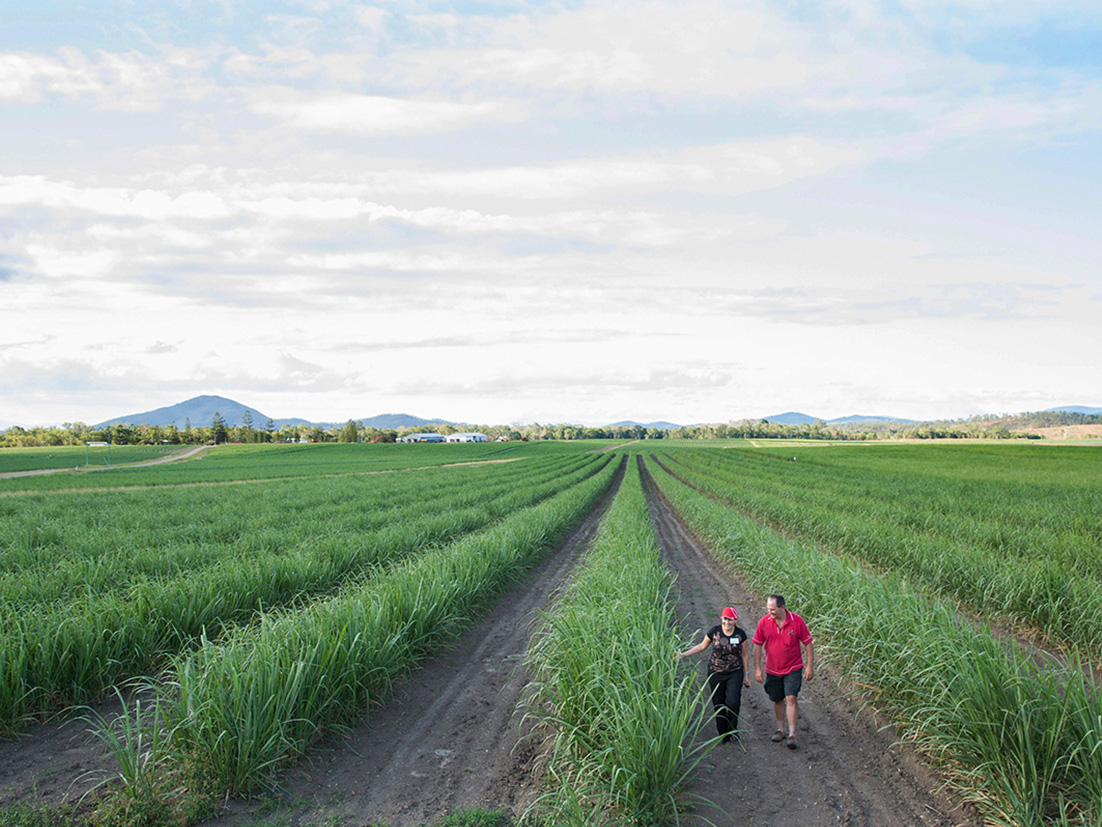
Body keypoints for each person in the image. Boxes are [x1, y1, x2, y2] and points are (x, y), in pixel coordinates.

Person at [677, 607, 750, 743]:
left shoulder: (740, 635)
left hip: (735, 672)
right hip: (716, 672)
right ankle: (723, 734)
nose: (727, 622)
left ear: (735, 621)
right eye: (725, 619)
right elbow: (702, 646)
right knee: (718, 702)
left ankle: (733, 730)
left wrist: (746, 674)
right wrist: (683, 654)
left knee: (733, 701)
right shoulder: (714, 632)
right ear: (722, 619)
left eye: (731, 620)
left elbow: (744, 655)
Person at [752, 594, 814, 751]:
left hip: (793, 667)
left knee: (791, 697)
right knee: (777, 698)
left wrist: (809, 666)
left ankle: (792, 734)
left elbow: (808, 643)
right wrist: (757, 668)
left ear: (783, 607)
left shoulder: (797, 621)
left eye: (773, 609)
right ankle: (781, 729)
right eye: (768, 609)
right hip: (773, 669)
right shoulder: (764, 623)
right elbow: (757, 645)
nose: (770, 612)